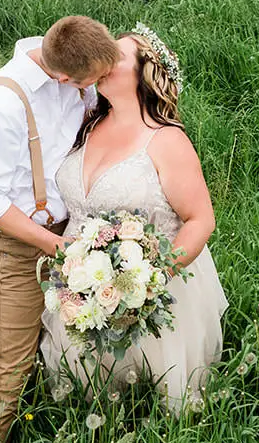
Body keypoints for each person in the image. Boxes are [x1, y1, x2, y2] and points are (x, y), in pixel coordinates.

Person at [40, 24, 227, 412]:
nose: (105, 57)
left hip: (149, 289)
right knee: (82, 402)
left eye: (118, 54)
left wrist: (150, 281)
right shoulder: (86, 122)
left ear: (144, 72)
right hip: (82, 284)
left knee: (153, 403)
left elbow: (200, 219)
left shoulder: (166, 141)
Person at [0, 16, 121, 443]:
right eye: (95, 82)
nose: (101, 85)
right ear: (64, 77)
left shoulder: (73, 55)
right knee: (10, 366)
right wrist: (55, 247)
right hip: (19, 249)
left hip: (75, 233)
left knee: (72, 345)